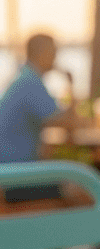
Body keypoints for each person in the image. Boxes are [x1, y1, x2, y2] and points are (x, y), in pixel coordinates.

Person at [0, 33, 79, 202]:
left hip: (13, 173)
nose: (56, 57)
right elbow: (68, 122)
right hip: (12, 179)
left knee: (74, 180)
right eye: (54, 51)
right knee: (82, 189)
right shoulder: (30, 83)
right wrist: (71, 83)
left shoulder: (25, 79)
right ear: (42, 53)